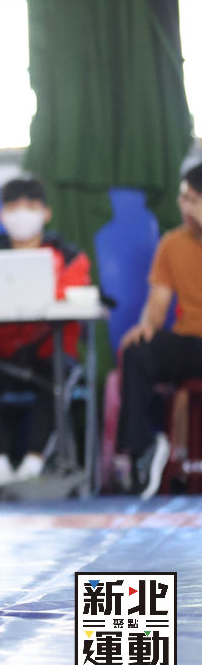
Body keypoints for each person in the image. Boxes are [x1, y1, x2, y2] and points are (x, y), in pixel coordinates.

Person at [0, 177, 91, 489]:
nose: (22, 214)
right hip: (1, 357)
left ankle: (32, 465)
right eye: (13, 207)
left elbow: (71, 298)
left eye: (31, 206)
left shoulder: (69, 258)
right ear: (2, 215)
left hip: (48, 354)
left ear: (46, 213)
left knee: (57, 377)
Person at [117, 163, 202, 498]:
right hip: (188, 341)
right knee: (137, 351)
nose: (185, 207)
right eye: (183, 198)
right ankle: (142, 453)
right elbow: (158, 302)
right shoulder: (172, 243)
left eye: (193, 200)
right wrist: (147, 327)